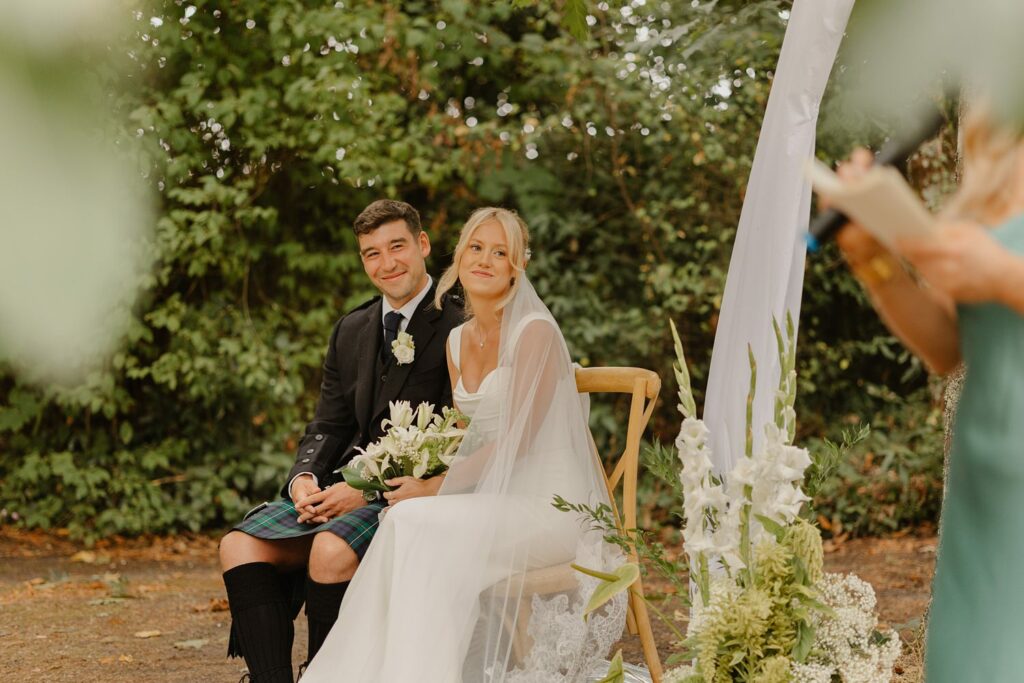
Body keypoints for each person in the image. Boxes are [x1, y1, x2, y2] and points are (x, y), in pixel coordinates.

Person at [301, 208, 626, 682]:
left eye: (501, 252)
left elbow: (519, 442)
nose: (486, 260)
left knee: (414, 520)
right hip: (494, 499)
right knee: (403, 520)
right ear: (459, 255)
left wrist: (433, 487)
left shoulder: (533, 332)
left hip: (549, 506)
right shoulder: (455, 341)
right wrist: (422, 471)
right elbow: (462, 437)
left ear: (517, 266)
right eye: (477, 247)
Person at [218, 199, 463, 682]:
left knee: (330, 548)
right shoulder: (351, 328)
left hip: (413, 497)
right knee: (238, 546)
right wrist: (304, 480)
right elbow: (327, 424)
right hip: (340, 488)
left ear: (423, 245)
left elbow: (460, 441)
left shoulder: (459, 324)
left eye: (397, 246)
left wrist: (366, 491)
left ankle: (329, 674)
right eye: (371, 253)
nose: (386, 263)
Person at [834, 105, 1024, 681]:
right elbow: (947, 345)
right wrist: (874, 259)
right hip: (988, 505)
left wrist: (1003, 277)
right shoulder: (994, 169)